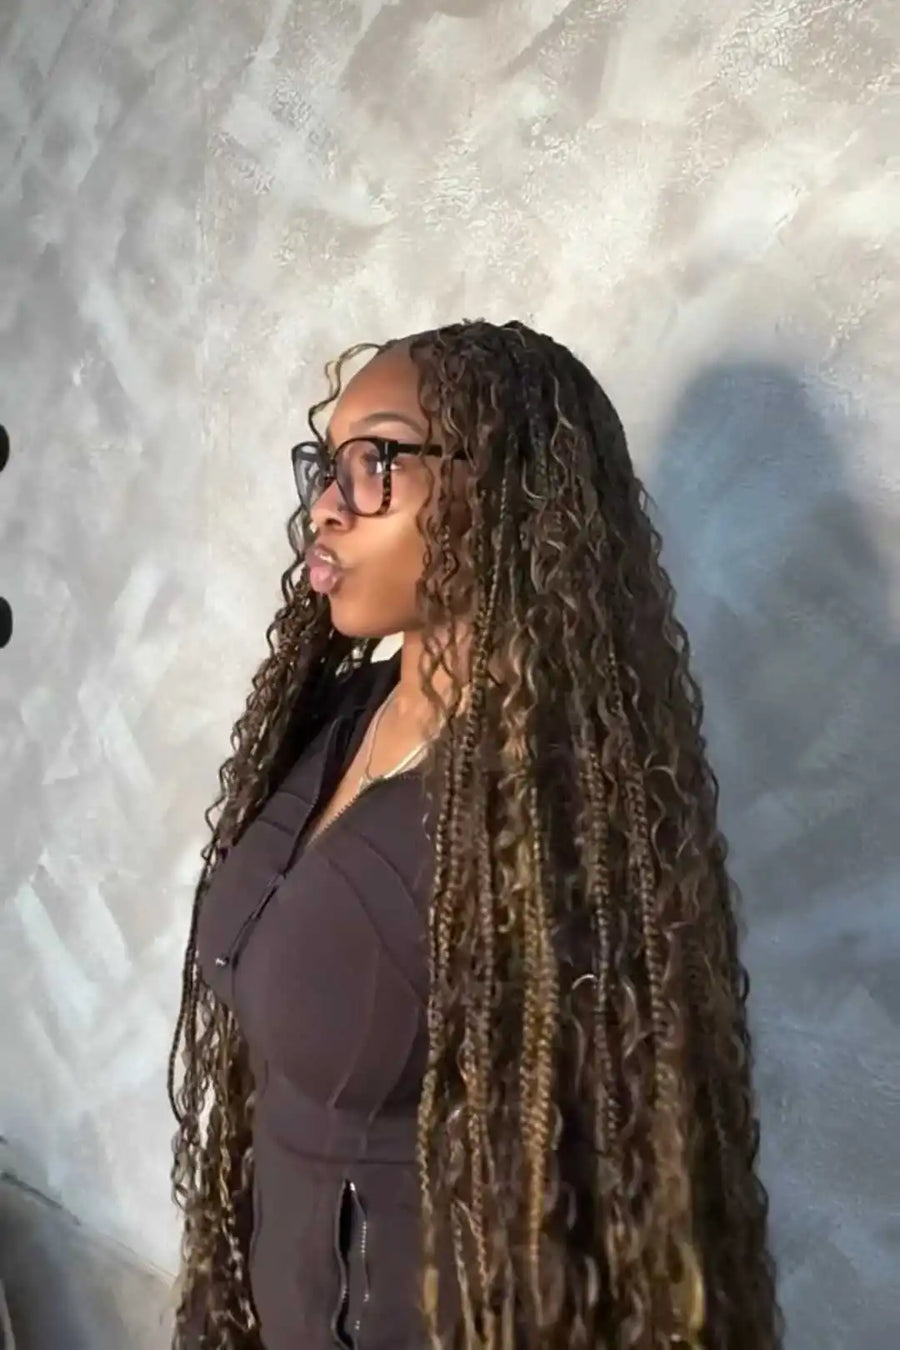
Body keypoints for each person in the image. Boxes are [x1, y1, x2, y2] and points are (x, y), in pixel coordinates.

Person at [167, 318, 782, 1350]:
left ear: (506, 491)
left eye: (378, 462)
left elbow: (606, 1191)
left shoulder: (547, 814)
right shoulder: (333, 721)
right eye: (328, 461)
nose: (327, 503)